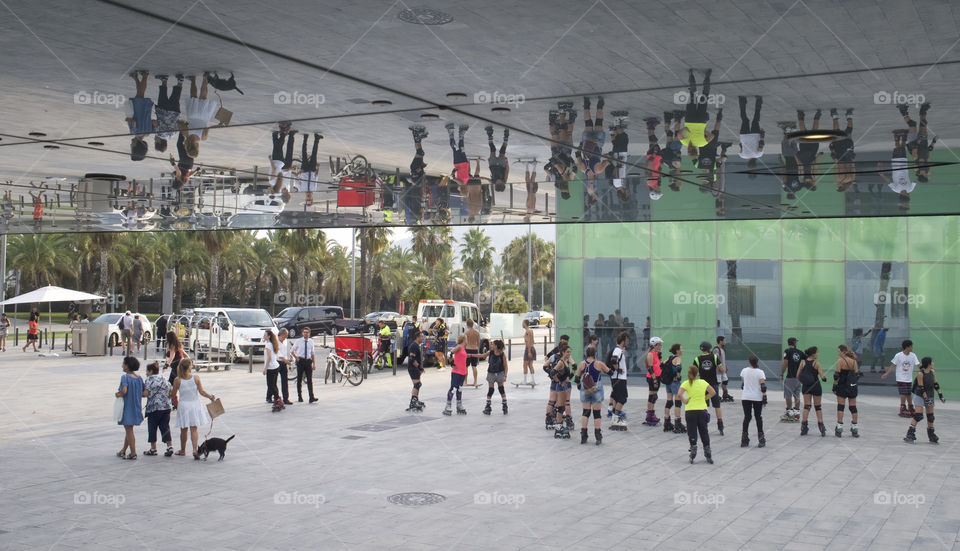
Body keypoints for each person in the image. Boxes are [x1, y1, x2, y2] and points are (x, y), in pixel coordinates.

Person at [170, 359, 216, 459]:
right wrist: (210, 397)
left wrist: (167, 392)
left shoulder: (177, 380)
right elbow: (202, 392)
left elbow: (173, 395)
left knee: (184, 429)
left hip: (183, 405)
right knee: (194, 429)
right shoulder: (195, 378)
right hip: (194, 405)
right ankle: (195, 450)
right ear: (189, 367)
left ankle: (182, 450)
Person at [574, 346, 614, 445]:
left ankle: (583, 435)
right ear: (595, 354)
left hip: (585, 388)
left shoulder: (582, 364)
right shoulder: (599, 363)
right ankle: (598, 436)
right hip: (596, 388)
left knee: (585, 412)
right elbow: (610, 372)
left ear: (586, 354)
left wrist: (579, 385)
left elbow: (577, 378)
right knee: (597, 413)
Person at [678, 364, 717, 464]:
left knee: (692, 431)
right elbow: (713, 392)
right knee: (704, 431)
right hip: (702, 410)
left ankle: (693, 448)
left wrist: (685, 401)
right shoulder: (703, 382)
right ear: (698, 373)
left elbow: (679, 394)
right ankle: (707, 450)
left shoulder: (686, 383)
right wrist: (705, 398)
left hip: (690, 411)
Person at [904, 357, 945, 444]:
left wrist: (941, 396)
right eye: (932, 362)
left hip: (929, 395)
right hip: (920, 396)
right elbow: (921, 386)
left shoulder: (932, 372)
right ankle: (910, 434)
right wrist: (924, 395)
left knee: (930, 416)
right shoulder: (920, 374)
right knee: (918, 415)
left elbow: (936, 384)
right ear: (929, 364)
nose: (933, 364)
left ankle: (931, 435)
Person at [182, 74, 218, 159]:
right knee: (193, 96)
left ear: (197, 148)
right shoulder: (186, 135)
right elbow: (182, 124)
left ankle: (205, 79)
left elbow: (209, 128)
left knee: (203, 97)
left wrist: (219, 124)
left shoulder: (203, 137)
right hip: (192, 115)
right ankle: (193, 79)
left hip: (203, 116)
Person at [142, 361, 174, 457]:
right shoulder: (163, 378)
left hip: (154, 408)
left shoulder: (149, 379)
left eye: (147, 371)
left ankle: (153, 448)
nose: (146, 373)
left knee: (152, 427)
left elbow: (146, 394)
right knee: (165, 426)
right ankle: (169, 446)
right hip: (166, 407)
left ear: (151, 371)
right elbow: (171, 390)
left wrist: (140, 394)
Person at [115, 356, 144, 460]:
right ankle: (123, 450)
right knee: (129, 429)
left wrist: (118, 394)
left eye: (123, 364)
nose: (122, 365)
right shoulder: (139, 378)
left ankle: (133, 452)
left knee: (129, 429)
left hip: (127, 407)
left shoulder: (125, 377)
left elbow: (124, 391)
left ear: (127, 366)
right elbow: (144, 393)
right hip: (136, 406)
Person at [882, 339, 920, 417]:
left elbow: (918, 364)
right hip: (900, 378)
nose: (912, 347)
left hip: (909, 378)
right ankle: (902, 408)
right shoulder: (898, 355)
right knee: (903, 393)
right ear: (907, 347)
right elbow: (893, 365)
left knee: (908, 393)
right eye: (911, 346)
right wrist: (887, 373)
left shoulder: (913, 355)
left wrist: (924, 370)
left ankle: (910, 407)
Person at [693, 340, 724, 435]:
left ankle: (704, 425)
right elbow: (721, 369)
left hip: (702, 385)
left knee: (703, 406)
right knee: (717, 406)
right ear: (709, 348)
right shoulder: (714, 357)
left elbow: (695, 373)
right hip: (713, 384)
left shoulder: (697, 359)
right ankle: (720, 425)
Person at [797, 346, 828, 437]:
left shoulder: (802, 363)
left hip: (806, 387)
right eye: (817, 352)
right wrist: (824, 378)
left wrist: (804, 380)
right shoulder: (816, 363)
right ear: (813, 354)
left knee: (807, 406)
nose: (817, 354)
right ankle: (821, 426)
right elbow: (822, 377)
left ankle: (804, 426)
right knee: (818, 406)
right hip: (816, 386)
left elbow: (797, 375)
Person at [544, 334, 573, 429]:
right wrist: (570, 376)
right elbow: (575, 365)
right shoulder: (564, 359)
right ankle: (564, 422)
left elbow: (545, 366)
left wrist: (552, 376)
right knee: (565, 402)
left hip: (555, 381)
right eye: (567, 352)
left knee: (552, 401)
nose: (569, 353)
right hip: (563, 382)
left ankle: (550, 419)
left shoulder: (554, 356)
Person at [473, 340, 509, 415]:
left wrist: (505, 375)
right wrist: (472, 355)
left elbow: (505, 366)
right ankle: (488, 406)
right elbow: (482, 355)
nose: (491, 346)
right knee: (491, 390)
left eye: (492, 344)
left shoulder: (502, 355)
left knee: (501, 389)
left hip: (500, 373)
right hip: (491, 373)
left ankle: (504, 405)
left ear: (496, 346)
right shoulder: (491, 352)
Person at [739, 355, 768, 448]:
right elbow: (763, 386)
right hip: (757, 397)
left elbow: (743, 382)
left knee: (747, 417)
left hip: (746, 396)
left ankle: (744, 439)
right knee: (758, 417)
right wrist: (764, 397)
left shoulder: (744, 371)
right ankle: (761, 439)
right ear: (757, 362)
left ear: (749, 361)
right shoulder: (760, 372)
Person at [124, 71, 152, 161]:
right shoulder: (134, 132)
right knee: (140, 93)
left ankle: (136, 77)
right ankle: (145, 76)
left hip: (145, 111)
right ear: (136, 146)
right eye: (132, 148)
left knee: (139, 93)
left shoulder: (147, 133)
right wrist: (128, 120)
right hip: (138, 111)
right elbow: (133, 122)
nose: (130, 145)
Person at [834, 344, 861, 438]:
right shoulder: (854, 362)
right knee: (853, 407)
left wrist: (834, 386)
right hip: (852, 386)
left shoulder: (840, 361)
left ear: (843, 352)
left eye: (839, 351)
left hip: (842, 386)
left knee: (841, 407)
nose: (838, 353)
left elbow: (836, 376)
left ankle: (839, 427)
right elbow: (857, 375)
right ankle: (854, 427)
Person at [152, 74, 183, 153]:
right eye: (155, 142)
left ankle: (180, 81)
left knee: (176, 96)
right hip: (163, 110)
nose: (154, 140)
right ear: (159, 142)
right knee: (163, 94)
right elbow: (155, 123)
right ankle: (164, 80)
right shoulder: (158, 133)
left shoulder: (171, 135)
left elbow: (178, 125)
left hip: (174, 112)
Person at [548, 345, 573, 439]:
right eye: (567, 352)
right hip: (561, 387)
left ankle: (559, 425)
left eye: (570, 352)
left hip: (564, 386)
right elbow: (552, 372)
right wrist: (558, 381)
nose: (569, 354)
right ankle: (558, 427)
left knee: (561, 406)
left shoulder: (566, 362)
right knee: (561, 407)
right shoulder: (561, 362)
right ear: (562, 352)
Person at [661, 343, 686, 434]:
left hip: (668, 382)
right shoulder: (677, 358)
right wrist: (678, 376)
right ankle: (677, 422)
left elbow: (662, 365)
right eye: (681, 348)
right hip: (675, 383)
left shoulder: (670, 357)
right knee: (678, 402)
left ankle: (666, 422)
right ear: (677, 350)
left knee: (669, 401)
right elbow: (678, 368)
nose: (682, 350)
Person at [608, 332, 629, 431]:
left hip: (616, 378)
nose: (628, 341)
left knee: (617, 397)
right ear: (623, 340)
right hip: (619, 378)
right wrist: (618, 369)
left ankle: (614, 419)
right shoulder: (617, 350)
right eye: (627, 340)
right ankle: (616, 419)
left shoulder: (619, 350)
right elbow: (613, 360)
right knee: (623, 398)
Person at [443, 335, 469, 416]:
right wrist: (451, 363)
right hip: (456, 372)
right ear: (464, 340)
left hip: (462, 372)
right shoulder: (459, 347)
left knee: (459, 389)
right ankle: (448, 405)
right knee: (453, 388)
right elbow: (449, 353)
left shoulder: (463, 349)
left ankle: (459, 405)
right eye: (466, 339)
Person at [781, 337, 805, 422]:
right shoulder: (800, 352)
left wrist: (781, 373)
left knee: (788, 395)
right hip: (798, 378)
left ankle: (789, 412)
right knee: (797, 394)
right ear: (794, 343)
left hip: (790, 377)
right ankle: (797, 413)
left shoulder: (787, 351)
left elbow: (785, 363)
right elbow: (806, 360)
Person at [291, 327, 318, 403]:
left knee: (309, 380)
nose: (306, 334)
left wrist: (314, 363)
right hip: (301, 360)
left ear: (309, 333)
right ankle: (299, 396)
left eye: (307, 332)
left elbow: (312, 353)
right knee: (299, 379)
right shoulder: (298, 341)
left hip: (308, 361)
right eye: (304, 332)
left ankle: (311, 397)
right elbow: (292, 350)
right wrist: (296, 357)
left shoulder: (311, 341)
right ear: (302, 333)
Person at [737, 95, 764, 168]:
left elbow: (761, 144)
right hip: (744, 136)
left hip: (755, 135)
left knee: (756, 119)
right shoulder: (742, 156)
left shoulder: (758, 155)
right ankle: (742, 101)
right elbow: (741, 146)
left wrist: (762, 135)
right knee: (744, 120)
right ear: (748, 163)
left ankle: (759, 100)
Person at [643, 337, 663, 426]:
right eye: (659, 345)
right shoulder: (650, 354)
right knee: (652, 395)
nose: (660, 346)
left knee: (654, 396)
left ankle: (651, 414)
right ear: (654, 345)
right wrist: (654, 379)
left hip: (657, 377)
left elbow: (659, 365)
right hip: (652, 378)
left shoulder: (656, 354)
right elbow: (650, 368)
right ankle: (649, 416)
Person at [484, 125, 509, 192]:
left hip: (493, 165)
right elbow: (507, 171)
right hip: (501, 165)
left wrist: (479, 178)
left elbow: (486, 179)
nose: (498, 182)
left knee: (492, 149)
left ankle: (489, 133)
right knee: (502, 151)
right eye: (500, 183)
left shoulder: (493, 181)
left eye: (497, 184)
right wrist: (506, 162)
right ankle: (506, 136)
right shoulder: (504, 180)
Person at [406, 331, 426, 411]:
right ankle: (413, 402)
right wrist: (419, 368)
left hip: (415, 368)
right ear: (417, 337)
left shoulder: (416, 345)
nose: (423, 338)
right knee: (417, 384)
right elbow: (411, 359)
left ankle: (416, 400)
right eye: (421, 337)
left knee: (418, 384)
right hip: (413, 368)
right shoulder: (414, 346)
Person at [263, 330, 282, 405]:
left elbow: (269, 357)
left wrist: (265, 368)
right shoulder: (272, 344)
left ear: (269, 336)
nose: (264, 336)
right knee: (273, 384)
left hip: (271, 367)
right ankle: (271, 398)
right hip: (275, 366)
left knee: (271, 385)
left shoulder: (268, 345)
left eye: (265, 335)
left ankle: (277, 398)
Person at [464, 319, 482, 387]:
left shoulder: (466, 333)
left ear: (467, 325)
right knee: (474, 366)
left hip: (468, 349)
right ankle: (475, 381)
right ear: (473, 324)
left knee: (466, 366)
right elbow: (478, 343)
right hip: (475, 350)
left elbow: (465, 343)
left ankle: (465, 381)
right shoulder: (477, 333)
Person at [276, 329, 292, 405]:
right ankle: (272, 396)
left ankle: (286, 398)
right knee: (273, 380)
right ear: (281, 335)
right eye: (284, 336)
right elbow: (277, 353)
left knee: (284, 380)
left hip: (284, 362)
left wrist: (287, 359)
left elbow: (285, 352)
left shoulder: (285, 341)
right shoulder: (275, 341)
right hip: (277, 362)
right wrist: (285, 360)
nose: (285, 338)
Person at [714, 336, 732, 402]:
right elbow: (716, 360)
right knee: (717, 383)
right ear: (720, 341)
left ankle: (725, 394)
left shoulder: (723, 349)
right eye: (724, 340)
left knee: (725, 381)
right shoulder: (716, 349)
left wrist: (725, 367)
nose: (725, 342)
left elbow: (723, 360)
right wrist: (720, 368)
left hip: (723, 370)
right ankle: (715, 395)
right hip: (718, 371)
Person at [522, 319, 536, 385]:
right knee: (530, 365)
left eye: (522, 323)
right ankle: (533, 380)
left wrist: (529, 351)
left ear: (525, 324)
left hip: (528, 349)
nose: (522, 324)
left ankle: (525, 381)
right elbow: (532, 341)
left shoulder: (527, 332)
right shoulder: (531, 331)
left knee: (525, 365)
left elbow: (528, 341)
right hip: (532, 348)